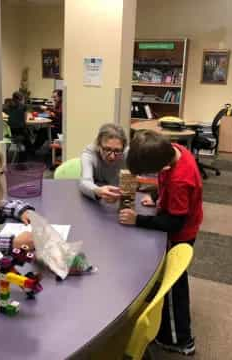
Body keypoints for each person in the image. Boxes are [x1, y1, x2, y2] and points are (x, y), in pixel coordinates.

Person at [119, 130, 203, 356]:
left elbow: (174, 223)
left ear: (164, 167)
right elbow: (163, 179)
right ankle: (166, 327)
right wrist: (157, 196)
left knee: (174, 285)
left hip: (180, 234)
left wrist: (138, 219)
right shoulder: (174, 150)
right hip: (179, 218)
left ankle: (180, 340)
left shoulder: (180, 180)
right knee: (167, 281)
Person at [79, 123, 129, 203]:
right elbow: (85, 181)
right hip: (96, 201)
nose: (112, 156)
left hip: (120, 200)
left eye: (117, 151)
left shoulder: (128, 153)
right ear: (98, 145)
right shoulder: (89, 153)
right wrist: (98, 191)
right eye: (107, 149)